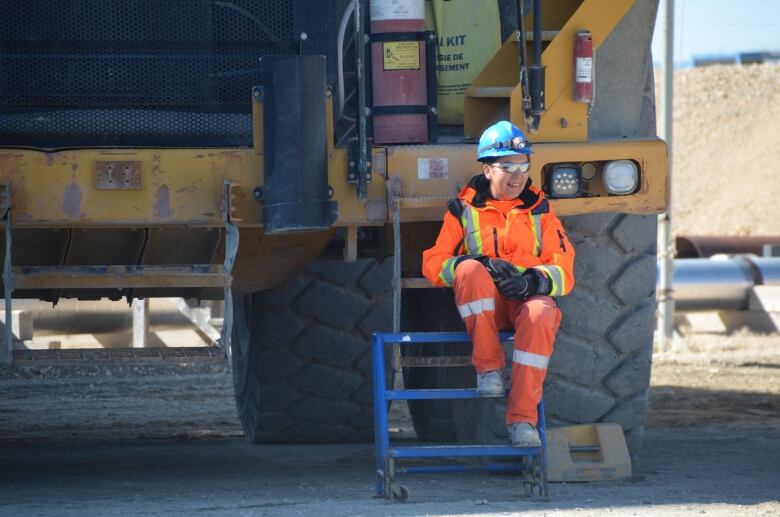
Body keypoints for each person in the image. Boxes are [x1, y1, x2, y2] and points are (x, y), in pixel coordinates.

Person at [421, 120, 575, 446]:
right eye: (507, 166)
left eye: (523, 165)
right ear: (488, 170)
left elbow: (565, 270)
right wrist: (477, 264)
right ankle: (488, 370)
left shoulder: (542, 212)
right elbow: (433, 264)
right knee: (469, 271)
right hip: (484, 306)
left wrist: (532, 281)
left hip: (525, 301)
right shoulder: (462, 211)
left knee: (542, 314)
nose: (518, 174)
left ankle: (522, 423)